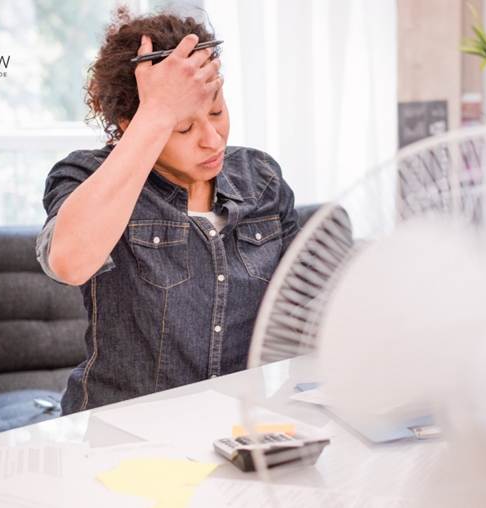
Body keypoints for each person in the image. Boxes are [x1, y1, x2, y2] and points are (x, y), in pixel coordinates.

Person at [36, 8, 300, 415]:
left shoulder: (261, 178)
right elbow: (69, 263)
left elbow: (302, 305)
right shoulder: (88, 175)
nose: (212, 140)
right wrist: (158, 112)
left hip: (240, 432)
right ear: (129, 124)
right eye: (183, 127)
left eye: (216, 112)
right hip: (122, 434)